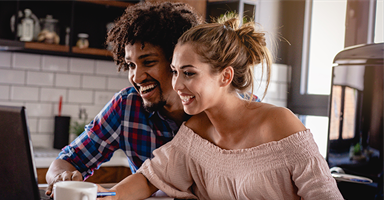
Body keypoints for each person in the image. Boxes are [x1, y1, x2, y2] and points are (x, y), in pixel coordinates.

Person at [97, 14, 344, 199]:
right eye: (174, 72)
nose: (177, 84)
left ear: (225, 77)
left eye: (189, 73)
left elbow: (325, 195)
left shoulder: (280, 124)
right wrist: (105, 197)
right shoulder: (195, 135)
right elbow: (148, 179)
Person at [45, 1, 204, 196]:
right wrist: (61, 178)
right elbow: (68, 159)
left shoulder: (214, 108)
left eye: (149, 62)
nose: (136, 77)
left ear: (177, 61)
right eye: (131, 65)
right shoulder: (127, 106)